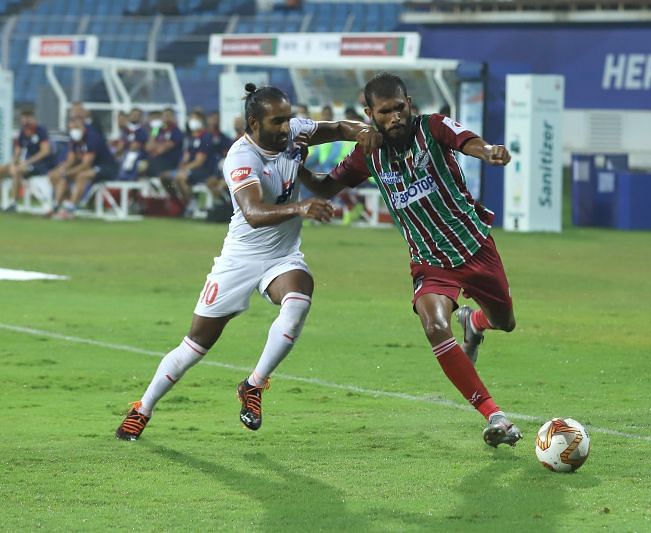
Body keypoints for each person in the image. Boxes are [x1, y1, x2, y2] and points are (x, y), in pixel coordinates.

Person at [115, 83, 382, 441]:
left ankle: (254, 385)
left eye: (288, 118)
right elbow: (254, 212)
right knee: (194, 347)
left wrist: (368, 132)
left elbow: (338, 129)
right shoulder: (241, 157)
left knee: (299, 299)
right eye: (278, 121)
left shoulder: (293, 132)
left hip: (282, 257)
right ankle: (142, 409)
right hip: (240, 259)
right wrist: (301, 207)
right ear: (254, 122)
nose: (287, 127)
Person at [299, 72, 521, 447]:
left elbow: (467, 141)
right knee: (434, 326)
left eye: (400, 108)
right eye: (385, 112)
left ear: (410, 104)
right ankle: (494, 414)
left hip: (474, 245)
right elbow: (324, 186)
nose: (395, 117)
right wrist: (298, 164)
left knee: (506, 322)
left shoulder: (431, 128)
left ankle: (474, 321)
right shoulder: (367, 154)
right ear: (369, 112)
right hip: (429, 260)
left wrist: (489, 152)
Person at [48, 116, 117, 219]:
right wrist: (61, 169)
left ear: (82, 126)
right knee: (55, 175)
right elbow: (70, 160)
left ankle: (70, 208)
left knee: (81, 175)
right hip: (90, 167)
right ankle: (57, 205)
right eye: (72, 128)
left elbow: (86, 164)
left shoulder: (92, 138)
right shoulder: (74, 139)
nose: (74, 130)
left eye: (76, 127)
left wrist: (68, 172)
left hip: (105, 167)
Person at [0, 109, 55, 212]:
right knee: (2, 169)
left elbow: (45, 151)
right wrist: (12, 164)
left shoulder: (41, 131)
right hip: (26, 164)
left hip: (40, 165)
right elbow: (17, 151)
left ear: (33, 119)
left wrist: (26, 162)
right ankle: (3, 201)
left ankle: (13, 203)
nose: (25, 122)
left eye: (27, 119)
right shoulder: (23, 132)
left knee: (18, 171)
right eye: (23, 119)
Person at [163, 109, 216, 216]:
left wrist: (184, 169)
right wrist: (181, 165)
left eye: (195, 118)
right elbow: (186, 156)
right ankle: (177, 202)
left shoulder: (205, 137)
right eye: (191, 118)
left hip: (203, 170)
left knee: (180, 177)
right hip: (189, 169)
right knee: (165, 176)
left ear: (201, 121)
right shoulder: (190, 137)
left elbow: (199, 162)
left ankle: (192, 202)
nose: (192, 121)